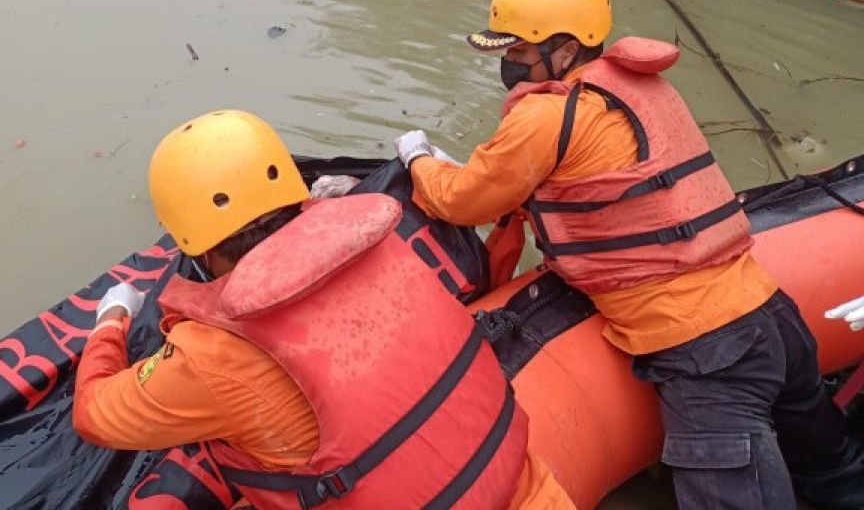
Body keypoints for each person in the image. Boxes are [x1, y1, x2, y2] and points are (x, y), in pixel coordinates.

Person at [392, 0, 864, 510]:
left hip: (703, 350)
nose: (509, 63)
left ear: (565, 51)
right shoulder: (645, 88)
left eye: (519, 50)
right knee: (833, 469)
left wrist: (418, 159)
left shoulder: (546, 117)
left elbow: (463, 200)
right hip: (771, 316)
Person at [73, 109, 575, 509]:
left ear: (198, 249)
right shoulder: (384, 244)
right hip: (534, 487)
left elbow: (96, 415)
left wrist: (111, 319)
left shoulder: (213, 355)